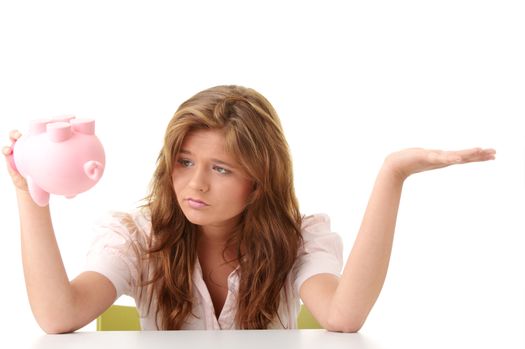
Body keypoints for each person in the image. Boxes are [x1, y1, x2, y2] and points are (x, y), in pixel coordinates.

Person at [2, 85, 496, 333]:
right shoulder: (137, 236)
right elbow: (57, 315)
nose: (195, 183)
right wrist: (32, 192)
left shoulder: (300, 238)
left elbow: (343, 316)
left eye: (221, 169)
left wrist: (393, 174)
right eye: (185, 161)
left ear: (258, 184)